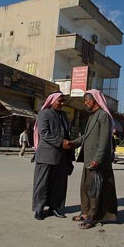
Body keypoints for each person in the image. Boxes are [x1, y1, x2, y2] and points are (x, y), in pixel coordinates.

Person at [68, 89, 118, 229]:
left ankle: (92, 217)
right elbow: (86, 136)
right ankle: (85, 212)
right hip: (88, 159)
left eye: (87, 100)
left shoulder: (103, 116)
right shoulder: (92, 117)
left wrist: (98, 158)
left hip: (97, 161)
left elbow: (104, 140)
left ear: (94, 100)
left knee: (94, 190)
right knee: (85, 187)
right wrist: (73, 143)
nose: (85, 103)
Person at [32, 91, 74, 220]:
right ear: (52, 101)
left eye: (63, 101)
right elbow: (44, 133)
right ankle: (39, 209)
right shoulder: (44, 113)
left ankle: (54, 208)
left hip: (62, 156)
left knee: (59, 185)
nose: (62, 104)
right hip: (46, 155)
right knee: (42, 183)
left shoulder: (63, 115)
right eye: (59, 101)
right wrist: (61, 143)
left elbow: (67, 134)